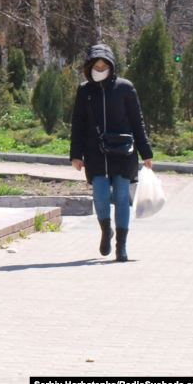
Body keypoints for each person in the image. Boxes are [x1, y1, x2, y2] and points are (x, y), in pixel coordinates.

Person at [69, 44, 153, 262]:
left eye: (104, 65)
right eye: (96, 65)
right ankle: (106, 230)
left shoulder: (125, 88)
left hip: (124, 152)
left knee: (123, 197)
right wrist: (75, 155)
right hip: (95, 152)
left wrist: (146, 152)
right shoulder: (85, 90)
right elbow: (77, 123)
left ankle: (121, 246)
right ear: (89, 67)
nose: (100, 68)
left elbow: (137, 121)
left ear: (111, 66)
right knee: (100, 194)